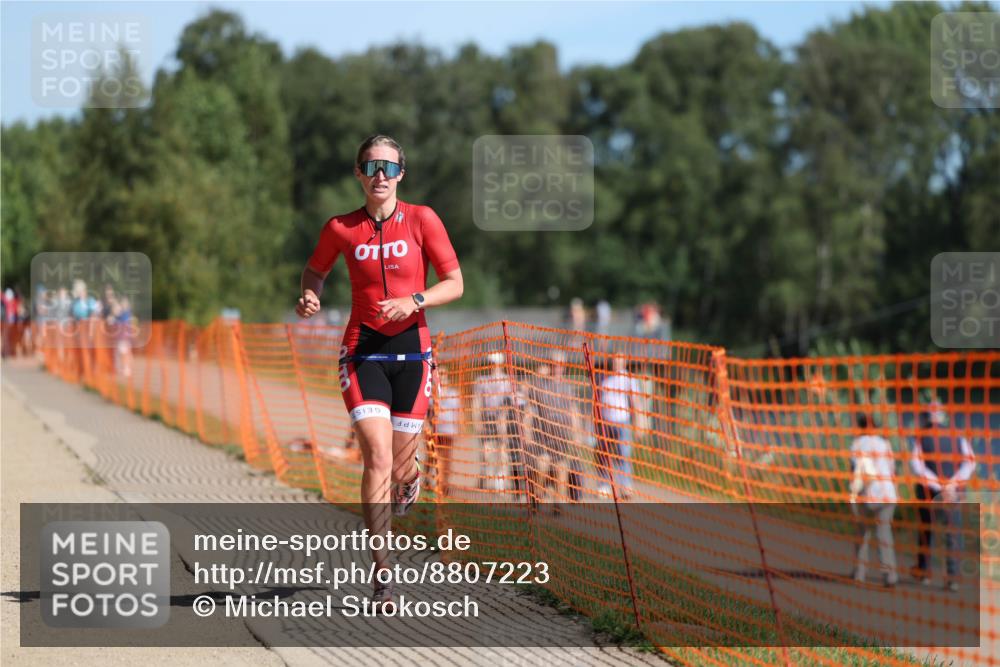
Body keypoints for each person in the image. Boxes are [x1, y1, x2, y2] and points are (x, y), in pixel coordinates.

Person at [295, 134, 463, 609]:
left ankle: (412, 479)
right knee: (376, 457)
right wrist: (310, 295)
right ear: (358, 175)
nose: (380, 177)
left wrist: (415, 300)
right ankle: (383, 576)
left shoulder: (422, 219)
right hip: (363, 350)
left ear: (401, 174)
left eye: (389, 168)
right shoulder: (340, 228)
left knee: (400, 465)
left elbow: (455, 283)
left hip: (413, 354)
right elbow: (315, 271)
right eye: (371, 168)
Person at [909, 399, 976, 592]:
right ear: (943, 415)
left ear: (927, 416)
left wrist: (938, 484)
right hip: (954, 493)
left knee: (926, 530)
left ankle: (924, 573)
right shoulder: (957, 435)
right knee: (953, 534)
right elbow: (970, 462)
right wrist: (952, 483)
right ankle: (953, 578)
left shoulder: (921, 436)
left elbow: (916, 465)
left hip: (929, 492)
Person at [526, 351, 584, 508]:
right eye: (554, 364)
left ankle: (559, 507)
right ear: (549, 365)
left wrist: (577, 434)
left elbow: (574, 411)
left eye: (560, 365)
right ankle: (536, 499)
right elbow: (530, 410)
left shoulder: (568, 388)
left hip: (562, 438)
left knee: (561, 470)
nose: (557, 367)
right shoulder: (539, 386)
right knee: (542, 467)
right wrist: (527, 434)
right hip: (542, 438)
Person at [848, 412, 898, 587]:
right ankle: (889, 575)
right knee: (884, 533)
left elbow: (854, 470)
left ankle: (859, 573)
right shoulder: (885, 444)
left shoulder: (857, 444)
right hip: (887, 493)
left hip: (866, 494)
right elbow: (893, 470)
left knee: (862, 533)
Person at [595, 353, 644, 499]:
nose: (617, 363)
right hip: (605, 422)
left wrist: (639, 422)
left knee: (623, 454)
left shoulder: (629, 379)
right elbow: (597, 400)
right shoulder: (603, 377)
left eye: (620, 360)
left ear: (624, 362)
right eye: (615, 360)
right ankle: (603, 485)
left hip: (622, 421)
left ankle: (625, 487)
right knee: (603, 454)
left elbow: (636, 401)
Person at [472, 352, 517, 492]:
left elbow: (510, 402)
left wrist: (503, 419)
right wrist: (477, 421)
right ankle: (484, 476)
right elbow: (476, 401)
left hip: (503, 420)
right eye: (491, 363)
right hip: (487, 420)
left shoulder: (508, 380)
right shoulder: (481, 380)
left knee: (502, 452)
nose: (493, 366)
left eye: (495, 363)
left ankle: (500, 483)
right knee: (486, 453)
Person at [428, 366, 461, 497]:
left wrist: (458, 429)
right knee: (432, 459)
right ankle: (428, 481)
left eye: (444, 374)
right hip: (435, 432)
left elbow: (457, 413)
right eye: (439, 374)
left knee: (446, 460)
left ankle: (444, 486)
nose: (442, 376)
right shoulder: (432, 393)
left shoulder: (454, 394)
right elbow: (428, 413)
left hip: (448, 432)